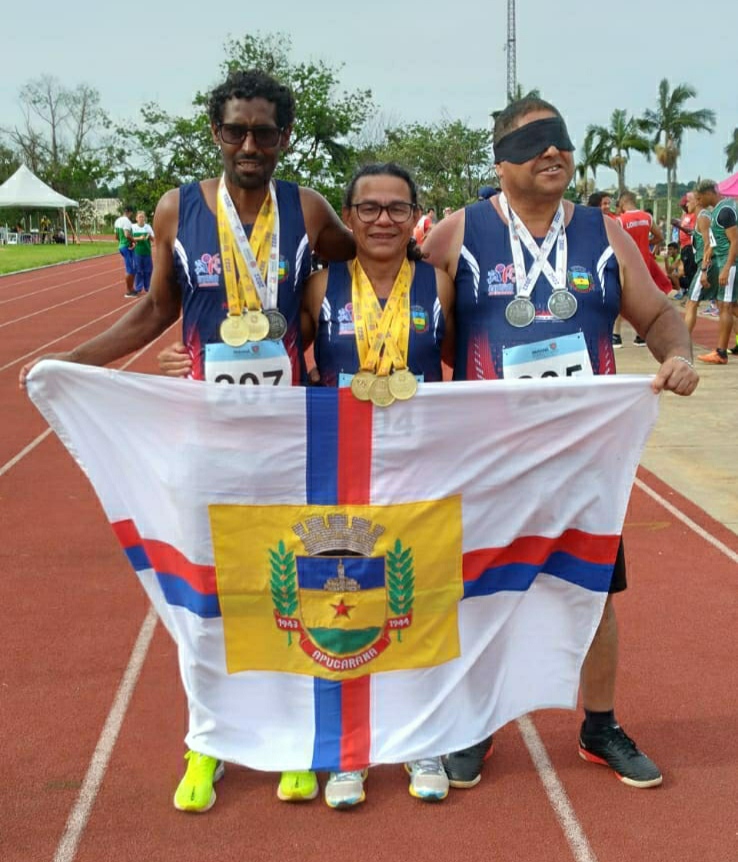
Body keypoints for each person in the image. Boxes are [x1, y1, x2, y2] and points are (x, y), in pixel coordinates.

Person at [20, 67, 356, 813]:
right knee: (206, 591)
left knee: (290, 579)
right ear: (215, 133)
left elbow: (350, 284)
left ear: (284, 139)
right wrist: (67, 365)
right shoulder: (177, 210)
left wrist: (307, 330)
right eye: (235, 129)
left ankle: (295, 737)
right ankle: (207, 739)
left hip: (285, 433)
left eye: (264, 132)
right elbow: (153, 314)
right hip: (205, 432)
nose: (248, 143)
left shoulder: (310, 211)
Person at [422, 96, 698, 792]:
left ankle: (598, 725)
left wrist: (679, 354)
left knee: (593, 590)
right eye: (535, 141)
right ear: (501, 161)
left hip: (584, 459)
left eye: (561, 140)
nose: (554, 153)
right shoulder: (458, 234)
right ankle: (477, 723)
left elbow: (660, 313)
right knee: (485, 589)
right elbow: (414, 323)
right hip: (493, 458)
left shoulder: (604, 232)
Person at [160, 161, 455, 809]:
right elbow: (267, 348)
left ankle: (421, 738)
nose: (383, 219)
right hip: (339, 466)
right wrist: (193, 358)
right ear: (348, 220)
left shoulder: (440, 285)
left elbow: (459, 366)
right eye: (370, 207)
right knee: (344, 600)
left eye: (398, 208)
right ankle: (350, 753)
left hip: (418, 467)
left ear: (415, 218)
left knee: (421, 602)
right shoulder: (321, 288)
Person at [617, 191, 673, 345]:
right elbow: (660, 237)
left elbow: (615, 243)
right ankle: (641, 336)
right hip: (644, 263)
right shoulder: (647, 217)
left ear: (623, 202)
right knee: (642, 301)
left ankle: (616, 336)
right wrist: (647, 244)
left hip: (626, 263)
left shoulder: (621, 221)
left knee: (621, 299)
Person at [692, 180, 738, 364]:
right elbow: (716, 242)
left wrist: (726, 267)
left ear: (709, 193)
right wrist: (707, 263)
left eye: (699, 197)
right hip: (724, 262)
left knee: (725, 306)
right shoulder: (718, 211)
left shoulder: (725, 211)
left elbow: (735, 241)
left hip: (731, 263)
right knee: (731, 306)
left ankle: (720, 352)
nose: (698, 201)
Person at [683, 193, 719, 335]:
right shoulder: (704, 217)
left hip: (708, 264)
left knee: (691, 302)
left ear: (697, 201)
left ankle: (683, 341)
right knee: (728, 306)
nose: (686, 204)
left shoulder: (703, 217)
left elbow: (709, 244)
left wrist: (704, 270)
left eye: (688, 201)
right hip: (713, 263)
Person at [113, 206, 137, 298]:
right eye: (131, 213)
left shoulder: (117, 221)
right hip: (127, 247)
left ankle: (131, 289)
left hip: (122, 246)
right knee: (130, 269)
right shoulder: (127, 221)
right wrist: (134, 241)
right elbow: (127, 234)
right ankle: (129, 291)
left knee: (131, 268)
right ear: (129, 212)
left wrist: (122, 242)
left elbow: (116, 236)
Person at [131, 211, 155, 294]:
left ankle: (148, 287)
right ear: (136, 218)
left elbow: (153, 239)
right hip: (137, 252)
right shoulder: (133, 227)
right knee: (138, 271)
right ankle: (138, 288)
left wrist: (149, 235)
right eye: (139, 217)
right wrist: (139, 238)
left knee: (148, 270)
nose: (141, 218)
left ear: (145, 218)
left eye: (142, 217)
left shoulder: (148, 227)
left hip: (147, 252)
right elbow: (129, 238)